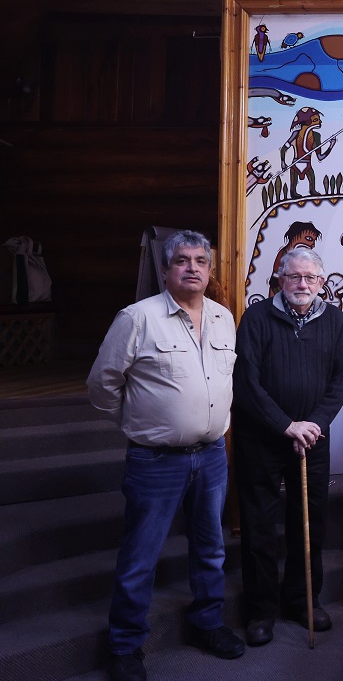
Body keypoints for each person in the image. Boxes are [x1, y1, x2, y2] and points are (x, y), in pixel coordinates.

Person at [87, 230, 245, 681]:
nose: (193, 267)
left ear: (210, 270)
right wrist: (141, 421)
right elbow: (102, 385)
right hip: (156, 461)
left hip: (212, 455)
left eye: (201, 260)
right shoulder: (137, 318)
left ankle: (207, 623)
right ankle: (125, 647)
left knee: (210, 549)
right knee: (140, 556)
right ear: (164, 269)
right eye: (182, 260)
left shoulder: (222, 317)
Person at [232, 246, 343, 646]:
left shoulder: (333, 319)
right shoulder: (257, 317)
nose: (302, 284)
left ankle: (303, 601)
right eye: (294, 277)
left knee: (310, 522)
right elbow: (246, 382)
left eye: (310, 278)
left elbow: (341, 379)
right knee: (259, 526)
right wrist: (286, 425)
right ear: (280, 279)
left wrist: (313, 423)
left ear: (322, 283)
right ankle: (261, 610)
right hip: (262, 438)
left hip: (312, 439)